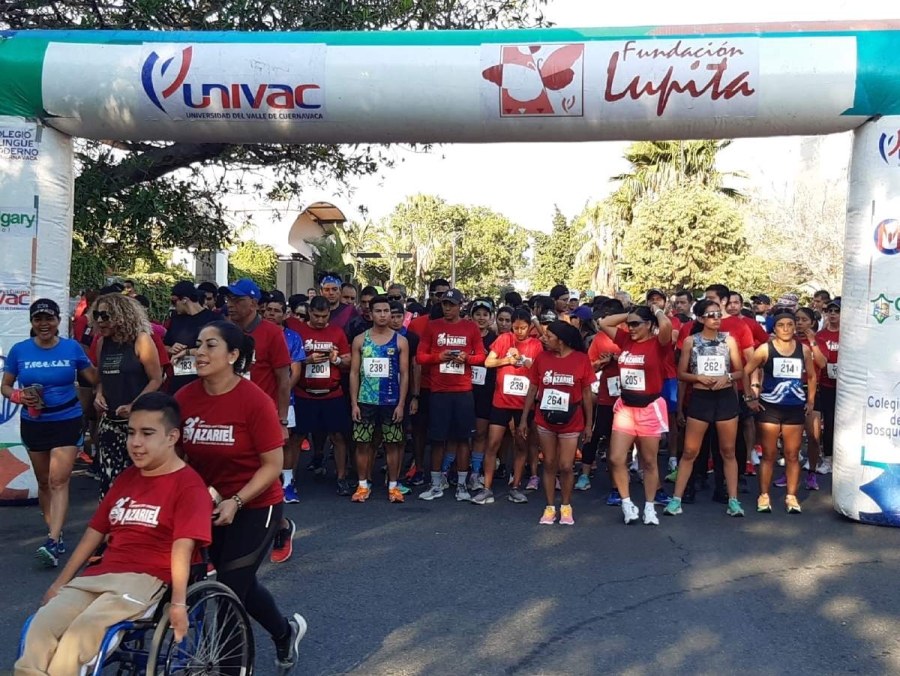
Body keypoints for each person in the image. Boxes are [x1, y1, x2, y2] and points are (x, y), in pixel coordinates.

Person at [15, 392, 213, 676]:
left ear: (172, 437)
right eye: (131, 432)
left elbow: (182, 548)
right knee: (42, 624)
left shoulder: (189, 487)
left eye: (147, 433)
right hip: (100, 576)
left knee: (80, 636)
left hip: (147, 580)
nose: (135, 442)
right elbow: (94, 532)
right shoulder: (127, 478)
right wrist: (60, 583)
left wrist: (179, 604)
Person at [175, 322, 307, 672]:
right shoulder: (184, 398)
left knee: (229, 592)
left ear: (233, 355)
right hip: (206, 505)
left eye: (210, 345)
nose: (199, 352)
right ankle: (284, 633)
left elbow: (273, 464)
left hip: (256, 504)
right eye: (198, 344)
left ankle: (226, 667)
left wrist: (237, 501)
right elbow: (174, 455)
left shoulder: (254, 401)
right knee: (241, 587)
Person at [1, 299, 97, 567]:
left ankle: (53, 541)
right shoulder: (20, 351)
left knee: (58, 480)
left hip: (66, 419)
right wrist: (20, 395)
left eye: (49, 319)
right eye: (38, 319)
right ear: (32, 323)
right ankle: (55, 532)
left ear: (57, 321)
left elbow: (94, 377)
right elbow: (5, 386)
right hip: (34, 422)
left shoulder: (71, 347)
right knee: (44, 482)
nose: (44, 324)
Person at [666, 299, 753, 518]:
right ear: (701, 318)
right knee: (689, 451)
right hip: (701, 399)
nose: (716, 319)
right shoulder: (691, 342)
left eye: (718, 315)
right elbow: (681, 374)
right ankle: (676, 500)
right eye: (711, 315)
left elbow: (740, 371)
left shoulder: (729, 340)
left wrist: (729, 377)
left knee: (728, 451)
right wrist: (698, 377)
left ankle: (733, 500)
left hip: (725, 398)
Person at [598, 305, 672, 525]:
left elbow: (666, 325)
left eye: (635, 324)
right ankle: (627, 502)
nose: (630, 328)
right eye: (629, 324)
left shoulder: (658, 344)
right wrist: (630, 311)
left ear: (649, 325)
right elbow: (604, 322)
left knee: (649, 461)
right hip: (626, 408)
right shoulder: (625, 340)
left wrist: (655, 309)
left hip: (649, 408)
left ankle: (649, 507)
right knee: (615, 458)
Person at [517, 321, 594, 525]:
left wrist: (589, 425)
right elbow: (532, 389)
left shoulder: (581, 359)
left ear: (561, 341)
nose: (544, 339)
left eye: (548, 336)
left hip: (572, 419)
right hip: (545, 419)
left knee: (566, 465)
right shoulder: (542, 358)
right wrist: (524, 419)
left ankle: (566, 507)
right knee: (549, 463)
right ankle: (550, 507)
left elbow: (587, 394)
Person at [744, 308, 817, 514]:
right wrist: (750, 398)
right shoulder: (765, 349)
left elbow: (811, 376)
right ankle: (764, 495)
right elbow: (747, 371)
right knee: (769, 454)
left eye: (790, 325)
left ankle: (791, 497)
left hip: (794, 407)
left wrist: (810, 401)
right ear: (774, 328)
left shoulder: (802, 350)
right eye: (781, 325)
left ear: (795, 327)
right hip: (770, 407)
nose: (786, 329)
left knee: (792, 454)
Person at [417, 289, 486, 501]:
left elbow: (482, 356)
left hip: (463, 391)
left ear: (460, 306)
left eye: (452, 304)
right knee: (438, 439)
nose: (447, 308)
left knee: (463, 439)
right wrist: (439, 357)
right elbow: (420, 356)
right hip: (439, 391)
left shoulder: (470, 327)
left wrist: (467, 358)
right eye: (445, 304)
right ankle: (436, 484)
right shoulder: (433, 326)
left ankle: (462, 485)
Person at [92, 294, 164, 498]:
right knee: (110, 483)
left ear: (121, 315)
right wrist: (99, 394)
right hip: (111, 423)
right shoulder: (101, 343)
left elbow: (156, 379)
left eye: (105, 315)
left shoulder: (141, 340)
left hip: (140, 423)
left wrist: (135, 405)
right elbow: (100, 378)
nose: (99, 321)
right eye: (96, 315)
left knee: (141, 480)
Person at [472, 308, 543, 505]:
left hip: (523, 404)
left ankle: (515, 487)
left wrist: (521, 359)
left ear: (530, 327)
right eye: (516, 328)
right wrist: (507, 360)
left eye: (523, 328)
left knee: (520, 444)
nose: (519, 332)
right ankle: (486, 488)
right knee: (492, 443)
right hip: (501, 401)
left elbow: (538, 370)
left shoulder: (536, 344)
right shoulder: (504, 340)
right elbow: (488, 362)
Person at [349, 296, 410, 503]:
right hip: (366, 400)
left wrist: (402, 404)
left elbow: (405, 374)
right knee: (363, 444)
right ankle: (362, 485)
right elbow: (354, 373)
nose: (383, 315)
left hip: (391, 401)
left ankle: (393, 486)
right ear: (370, 313)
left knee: (393, 444)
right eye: (379, 311)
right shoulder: (360, 340)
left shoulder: (401, 341)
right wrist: (354, 403)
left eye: (387, 311)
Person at [293, 295, 353, 495]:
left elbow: (349, 361)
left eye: (324, 316)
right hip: (304, 392)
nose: (320, 320)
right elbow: (289, 360)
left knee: (337, 436)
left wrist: (336, 360)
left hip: (331, 393)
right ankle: (289, 480)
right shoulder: (298, 332)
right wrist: (305, 361)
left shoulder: (336, 332)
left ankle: (341, 478)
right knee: (297, 437)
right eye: (317, 316)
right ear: (309, 312)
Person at [263, 296, 307, 513]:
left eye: (276, 311)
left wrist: (282, 394)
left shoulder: (293, 338)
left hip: (284, 399)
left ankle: (288, 483)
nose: (271, 314)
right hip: (257, 400)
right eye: (268, 310)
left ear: (285, 314)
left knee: (286, 441)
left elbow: (296, 371)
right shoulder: (253, 335)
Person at [579, 298, 624, 496]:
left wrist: (618, 359)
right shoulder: (599, 338)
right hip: (606, 393)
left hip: (629, 395)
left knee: (622, 438)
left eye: (605, 318)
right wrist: (601, 363)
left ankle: (622, 474)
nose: (601, 322)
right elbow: (589, 366)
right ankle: (585, 474)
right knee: (595, 433)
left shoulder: (632, 335)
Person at [164, 281, 218, 394]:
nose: (173, 306)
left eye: (174, 301)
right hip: (179, 382)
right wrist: (171, 349)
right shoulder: (176, 320)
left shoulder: (214, 320)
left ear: (184, 300)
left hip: (205, 381)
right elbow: (165, 345)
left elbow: (218, 349)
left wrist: (187, 352)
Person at [467, 298, 498, 492]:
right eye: (477, 314)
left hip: (486, 391)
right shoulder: (464, 335)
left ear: (491, 317)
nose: (481, 318)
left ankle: (475, 473)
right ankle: (453, 470)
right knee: (459, 435)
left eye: (485, 315)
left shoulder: (496, 339)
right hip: (464, 389)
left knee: (480, 434)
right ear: (471, 317)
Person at [816, 297, 840, 476]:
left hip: (847, 386)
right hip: (827, 384)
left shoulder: (849, 334)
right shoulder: (821, 335)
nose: (832, 314)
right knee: (829, 422)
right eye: (829, 311)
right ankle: (828, 458)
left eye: (836, 311)